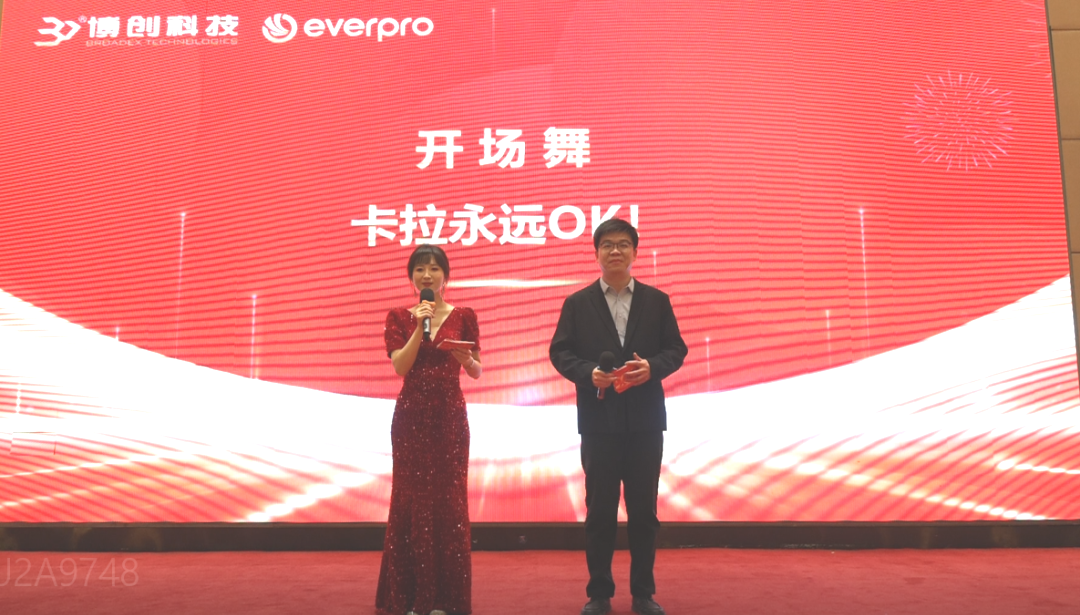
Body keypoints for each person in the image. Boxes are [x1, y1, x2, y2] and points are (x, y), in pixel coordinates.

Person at [549, 218, 687, 615]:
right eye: (607, 244)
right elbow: (560, 352)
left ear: (634, 252)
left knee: (644, 512)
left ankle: (644, 594)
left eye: (623, 244)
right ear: (596, 253)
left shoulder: (656, 301)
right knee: (600, 511)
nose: (615, 251)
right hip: (599, 422)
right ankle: (599, 594)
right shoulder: (577, 303)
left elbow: (676, 349)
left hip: (645, 422)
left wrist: (652, 368)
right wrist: (588, 373)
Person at [376, 245, 482, 615]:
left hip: (450, 417)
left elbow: (476, 370)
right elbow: (400, 367)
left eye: (434, 268)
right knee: (411, 499)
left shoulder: (464, 315)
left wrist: (466, 358)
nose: (427, 275)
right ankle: (410, 596)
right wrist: (419, 332)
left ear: (445, 276)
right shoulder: (399, 317)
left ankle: (445, 599)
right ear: (411, 278)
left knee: (448, 500)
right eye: (420, 269)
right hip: (411, 418)